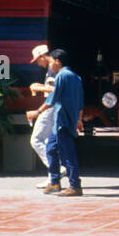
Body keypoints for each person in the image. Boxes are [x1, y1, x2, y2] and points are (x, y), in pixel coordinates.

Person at [35, 49, 85, 196]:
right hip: (63, 121)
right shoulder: (76, 77)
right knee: (50, 149)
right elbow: (81, 101)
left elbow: (53, 98)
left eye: (50, 62)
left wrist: (36, 112)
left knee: (67, 153)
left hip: (62, 120)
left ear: (57, 62)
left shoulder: (62, 76)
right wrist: (79, 120)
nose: (50, 66)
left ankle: (75, 185)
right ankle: (55, 182)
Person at [26, 44, 58, 172]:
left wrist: (38, 88)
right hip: (52, 107)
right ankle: (53, 178)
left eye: (38, 60)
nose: (38, 64)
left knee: (36, 140)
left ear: (43, 56)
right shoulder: (52, 69)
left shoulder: (53, 69)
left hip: (50, 107)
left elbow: (56, 90)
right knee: (47, 141)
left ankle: (56, 169)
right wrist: (40, 85)